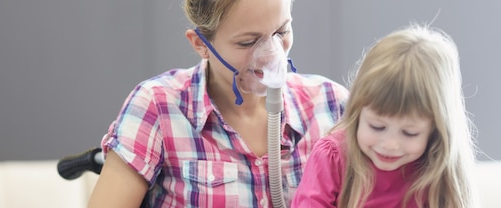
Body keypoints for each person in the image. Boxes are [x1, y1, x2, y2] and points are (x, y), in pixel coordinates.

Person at [87, 0, 349, 207]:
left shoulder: (331, 106)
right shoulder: (158, 108)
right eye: (248, 42)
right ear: (201, 44)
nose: (272, 54)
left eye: (282, 31)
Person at [291, 25, 479, 208]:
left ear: (436, 130)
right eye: (376, 126)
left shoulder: (438, 171)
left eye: (409, 133)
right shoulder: (332, 157)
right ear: (357, 111)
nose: (390, 144)